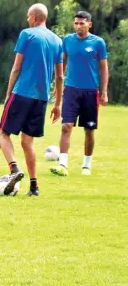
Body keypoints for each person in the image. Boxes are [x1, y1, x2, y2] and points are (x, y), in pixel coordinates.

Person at [0, 3, 64, 196]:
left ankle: (14, 170)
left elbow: (16, 67)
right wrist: (58, 104)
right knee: (28, 142)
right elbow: (60, 77)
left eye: (28, 16)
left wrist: (9, 93)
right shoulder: (58, 41)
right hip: (42, 98)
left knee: (3, 133)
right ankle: (34, 186)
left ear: (35, 18)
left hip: (22, 92)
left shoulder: (27, 34)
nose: (27, 19)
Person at [50, 11, 109, 177]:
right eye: (76, 23)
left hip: (91, 92)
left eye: (82, 23)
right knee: (66, 126)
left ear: (89, 24)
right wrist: (58, 84)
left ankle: (86, 165)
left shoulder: (98, 43)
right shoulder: (68, 40)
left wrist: (104, 92)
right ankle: (62, 164)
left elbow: (104, 68)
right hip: (71, 90)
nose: (78, 26)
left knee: (89, 130)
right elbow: (63, 62)